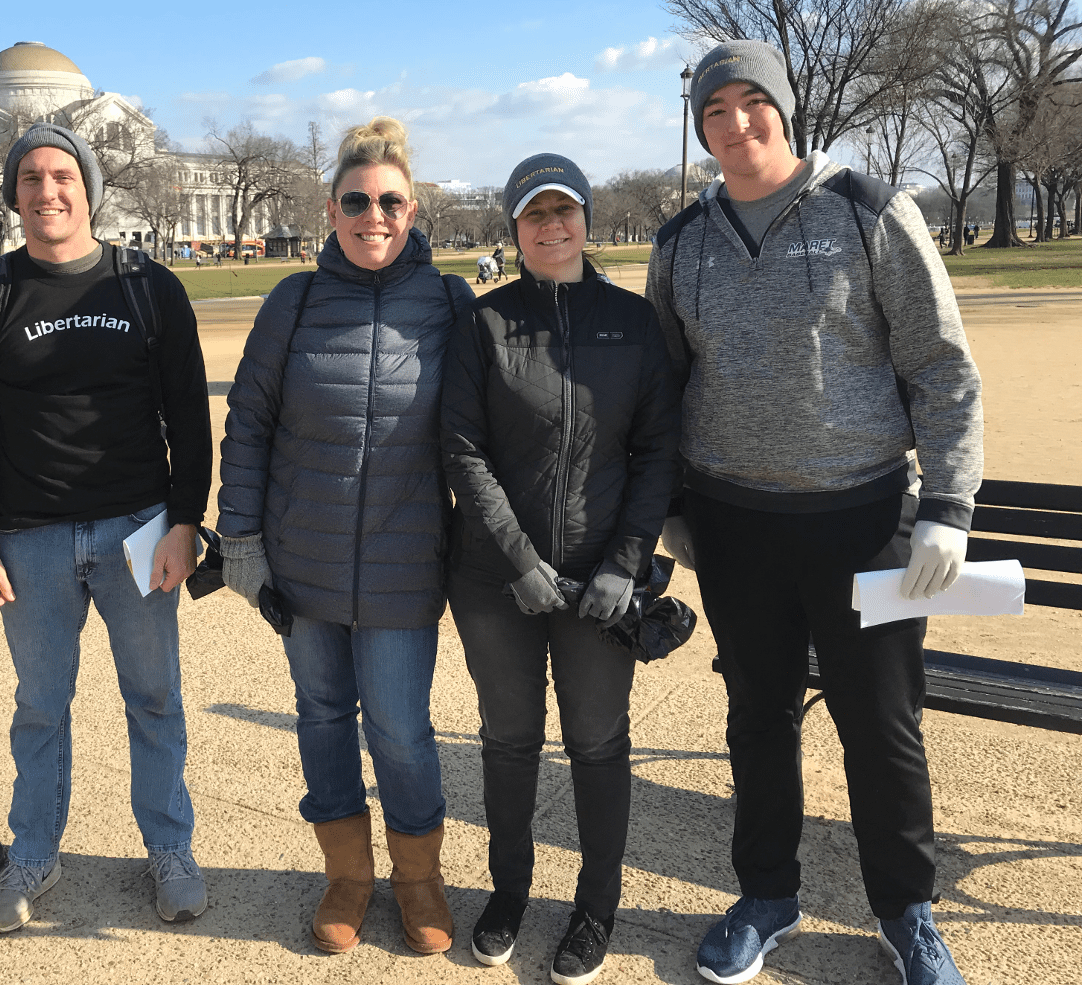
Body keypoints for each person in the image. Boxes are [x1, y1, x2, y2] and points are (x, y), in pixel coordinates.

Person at [646, 41, 983, 985]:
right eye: (718, 109)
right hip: (735, 523)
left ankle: (905, 910)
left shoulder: (870, 211)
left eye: (755, 102)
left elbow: (941, 369)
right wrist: (673, 507)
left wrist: (947, 507)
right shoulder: (680, 244)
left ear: (784, 111)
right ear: (700, 125)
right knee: (757, 716)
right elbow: (665, 386)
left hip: (863, 517)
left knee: (881, 725)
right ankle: (766, 894)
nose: (738, 122)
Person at [0, 122, 212, 933]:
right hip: (30, 535)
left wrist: (186, 523)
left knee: (154, 696)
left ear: (89, 188)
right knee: (40, 705)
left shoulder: (146, 286)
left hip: (137, 526)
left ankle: (169, 848)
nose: (47, 191)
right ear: (13, 193)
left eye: (63, 175)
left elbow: (188, 419)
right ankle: (34, 851)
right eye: (30, 178)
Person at [217, 117, 474, 956]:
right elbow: (249, 422)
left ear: (413, 208)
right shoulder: (293, 300)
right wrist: (242, 538)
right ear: (332, 208)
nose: (375, 214)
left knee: (400, 726)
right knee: (324, 716)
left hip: (405, 564)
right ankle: (348, 876)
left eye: (391, 201)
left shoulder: (448, 302)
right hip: (304, 561)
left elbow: (486, 435)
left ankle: (418, 877)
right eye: (357, 200)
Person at [442, 154, 679, 984]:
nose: (551, 226)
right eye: (533, 214)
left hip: (599, 578)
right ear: (512, 229)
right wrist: (518, 559)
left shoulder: (632, 320)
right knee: (509, 741)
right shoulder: (485, 321)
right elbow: (464, 452)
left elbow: (655, 452)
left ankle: (595, 906)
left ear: (584, 218)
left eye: (564, 210)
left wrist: (625, 563)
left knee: (596, 741)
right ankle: (509, 892)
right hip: (493, 578)